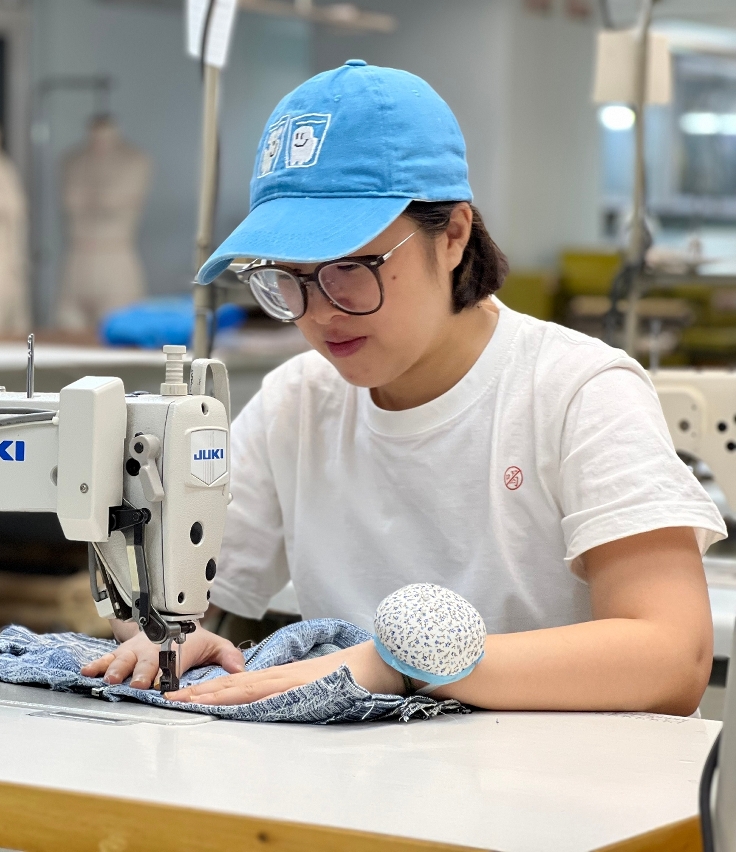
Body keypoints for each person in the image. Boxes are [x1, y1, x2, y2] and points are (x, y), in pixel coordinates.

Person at [83, 61, 725, 715]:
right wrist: (163, 633)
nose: (318, 312)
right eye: (287, 278)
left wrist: (399, 665)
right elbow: (181, 597)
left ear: (453, 235)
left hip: (559, 772)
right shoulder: (296, 404)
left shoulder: (577, 392)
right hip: (371, 765)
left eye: (349, 268)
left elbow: (672, 657)